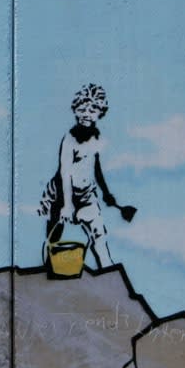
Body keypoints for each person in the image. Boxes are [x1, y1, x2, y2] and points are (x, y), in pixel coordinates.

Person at [37, 83, 136, 269]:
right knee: (54, 236)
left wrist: (106, 193)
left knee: (98, 233)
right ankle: (47, 269)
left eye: (92, 109)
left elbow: (96, 167)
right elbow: (65, 171)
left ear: (100, 113)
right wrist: (67, 205)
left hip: (86, 194)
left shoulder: (97, 138)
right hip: (61, 194)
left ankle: (107, 267)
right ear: (75, 109)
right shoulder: (69, 139)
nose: (86, 113)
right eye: (82, 108)